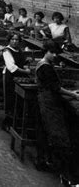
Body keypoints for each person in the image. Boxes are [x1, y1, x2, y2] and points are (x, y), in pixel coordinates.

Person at [35, 40, 79, 177]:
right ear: (46, 51)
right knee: (57, 133)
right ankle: (61, 169)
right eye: (52, 52)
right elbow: (56, 88)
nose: (54, 55)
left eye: (56, 53)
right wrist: (73, 94)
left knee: (48, 132)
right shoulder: (45, 67)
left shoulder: (44, 63)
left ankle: (46, 161)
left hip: (47, 99)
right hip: (48, 102)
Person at [2, 32, 31, 130]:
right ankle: (7, 123)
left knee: (18, 101)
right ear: (9, 40)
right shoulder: (6, 51)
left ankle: (16, 123)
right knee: (10, 99)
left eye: (17, 40)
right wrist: (25, 71)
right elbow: (12, 67)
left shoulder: (19, 50)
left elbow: (22, 61)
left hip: (19, 77)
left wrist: (27, 61)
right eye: (12, 39)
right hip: (10, 77)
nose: (14, 42)